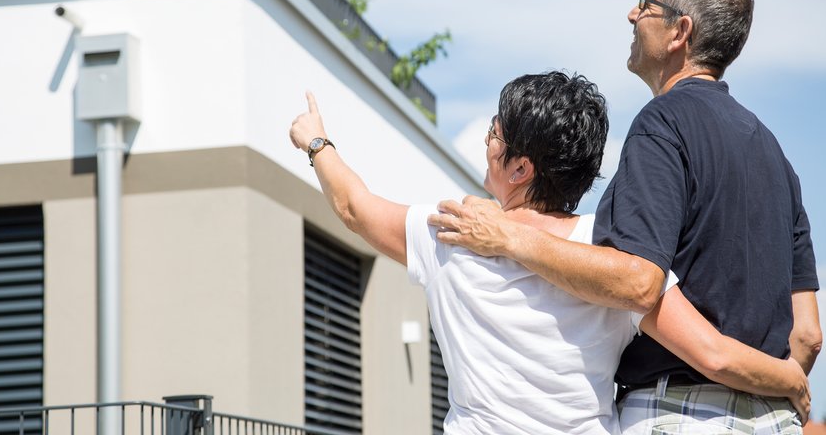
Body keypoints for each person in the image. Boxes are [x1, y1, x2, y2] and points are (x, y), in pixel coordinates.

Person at [290, 71, 809, 434]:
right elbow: (712, 353)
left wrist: (317, 143)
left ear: (520, 169)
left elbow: (354, 207)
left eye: (495, 133)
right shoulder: (612, 258)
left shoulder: (449, 234)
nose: (487, 142)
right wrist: (790, 377)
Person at [427, 0, 820, 433]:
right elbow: (808, 335)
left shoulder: (662, 124)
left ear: (680, 32)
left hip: (677, 413)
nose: (631, 16)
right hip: (775, 417)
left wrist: (507, 237)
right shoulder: (776, 157)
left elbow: (637, 283)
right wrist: (782, 379)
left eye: (644, 4)